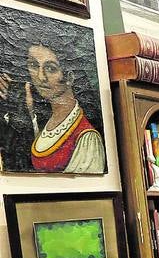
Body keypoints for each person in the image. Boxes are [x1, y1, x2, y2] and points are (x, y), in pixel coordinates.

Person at [0, 39, 105, 173]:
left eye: (50, 68)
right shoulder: (42, 121)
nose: (41, 76)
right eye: (33, 65)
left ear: (70, 77)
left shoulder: (87, 138)